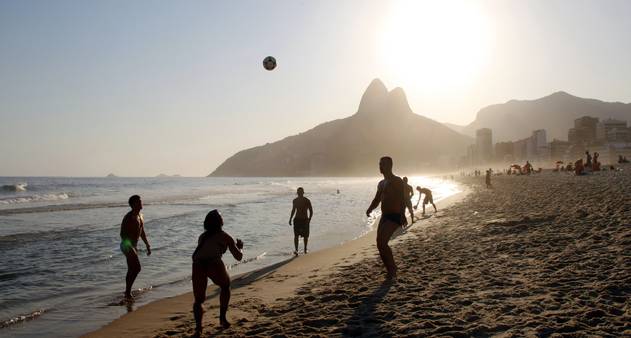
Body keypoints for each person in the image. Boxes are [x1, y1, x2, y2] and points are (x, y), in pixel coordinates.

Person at [192, 210, 243, 335]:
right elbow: (238, 257)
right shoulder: (225, 236)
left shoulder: (202, 237)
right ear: (220, 222)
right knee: (225, 286)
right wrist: (240, 247)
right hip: (213, 263)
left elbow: (207, 249)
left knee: (199, 300)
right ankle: (222, 319)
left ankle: (198, 327)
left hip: (198, 264)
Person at [366, 156, 405, 280]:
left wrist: (403, 214)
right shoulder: (381, 183)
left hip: (394, 215)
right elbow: (377, 199)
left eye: (383, 164)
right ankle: (390, 269)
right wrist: (370, 208)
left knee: (382, 242)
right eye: (380, 164)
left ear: (389, 166)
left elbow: (402, 198)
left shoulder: (397, 181)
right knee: (379, 244)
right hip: (384, 216)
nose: (380, 166)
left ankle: (392, 270)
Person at [120, 195, 151, 300]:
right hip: (126, 245)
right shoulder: (128, 217)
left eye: (141, 201)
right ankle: (127, 292)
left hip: (133, 246)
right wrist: (130, 247)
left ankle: (127, 292)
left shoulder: (140, 216)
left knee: (131, 269)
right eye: (139, 202)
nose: (141, 203)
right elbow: (122, 234)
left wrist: (147, 244)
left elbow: (142, 232)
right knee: (137, 268)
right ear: (133, 204)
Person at [289, 187, 313, 255]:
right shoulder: (295, 200)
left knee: (306, 236)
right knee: (296, 235)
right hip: (297, 220)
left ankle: (305, 249)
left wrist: (309, 219)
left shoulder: (307, 200)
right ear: (297, 193)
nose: (299, 193)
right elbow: (293, 210)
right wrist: (290, 218)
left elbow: (311, 211)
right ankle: (296, 250)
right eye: (298, 192)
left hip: (305, 220)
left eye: (301, 192)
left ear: (303, 192)